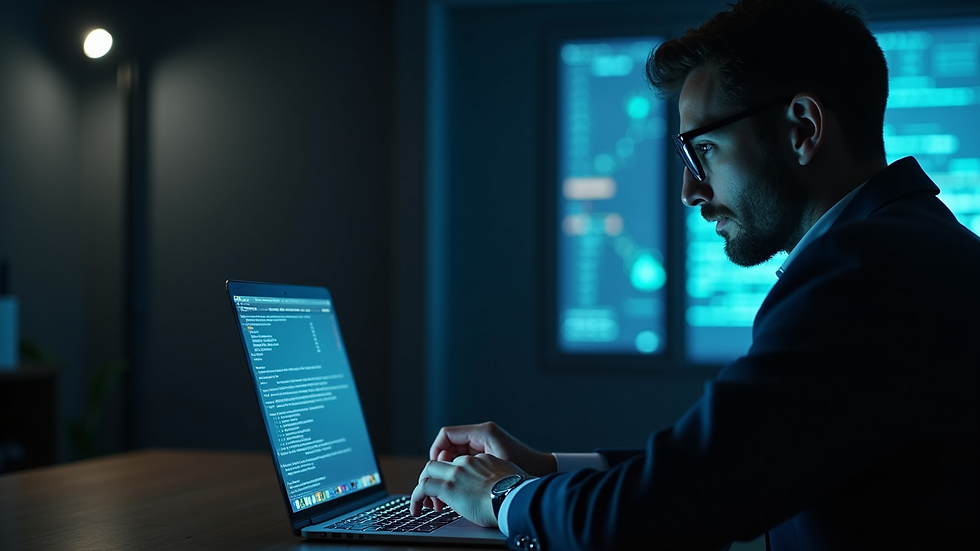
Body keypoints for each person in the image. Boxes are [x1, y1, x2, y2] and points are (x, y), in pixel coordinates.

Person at [409, 0, 980, 549]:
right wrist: (549, 469)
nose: (690, 191)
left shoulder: (862, 278)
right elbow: (739, 465)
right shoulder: (907, 247)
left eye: (703, 149)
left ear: (803, 128)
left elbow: (656, 518)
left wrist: (504, 497)